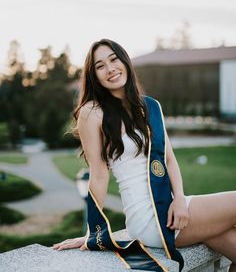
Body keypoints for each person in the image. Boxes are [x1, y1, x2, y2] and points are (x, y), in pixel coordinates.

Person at [52, 39, 236, 271]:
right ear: (94, 76)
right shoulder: (93, 112)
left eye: (113, 59)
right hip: (150, 219)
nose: (110, 69)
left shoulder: (151, 107)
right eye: (100, 66)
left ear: (125, 62)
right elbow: (98, 176)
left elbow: (168, 159)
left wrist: (179, 198)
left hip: (171, 206)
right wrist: (93, 234)